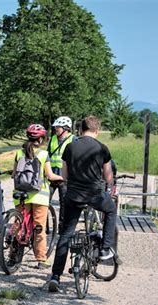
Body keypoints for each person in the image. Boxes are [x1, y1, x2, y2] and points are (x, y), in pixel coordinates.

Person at [48, 116, 118, 292]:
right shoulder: (102, 148)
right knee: (110, 211)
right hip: (95, 195)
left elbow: (64, 175)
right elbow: (108, 176)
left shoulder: (70, 147)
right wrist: (109, 187)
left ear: (80, 129)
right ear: (97, 130)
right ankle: (105, 248)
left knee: (66, 234)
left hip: (73, 195)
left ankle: (55, 276)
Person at [12, 124, 63, 269]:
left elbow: (14, 174)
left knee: (18, 224)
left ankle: (13, 255)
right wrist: (62, 178)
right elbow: (50, 175)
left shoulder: (19, 153)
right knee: (39, 226)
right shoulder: (43, 154)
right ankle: (41, 259)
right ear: (41, 139)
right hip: (39, 195)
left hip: (21, 194)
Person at [47, 116, 76, 234]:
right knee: (44, 201)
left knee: (64, 203)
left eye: (58, 127)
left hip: (65, 177)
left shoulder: (73, 139)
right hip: (52, 175)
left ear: (65, 128)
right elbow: (48, 155)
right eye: (55, 127)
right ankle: (44, 227)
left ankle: (62, 228)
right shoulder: (53, 138)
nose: (56, 129)